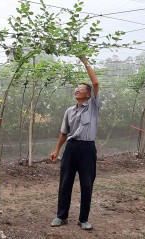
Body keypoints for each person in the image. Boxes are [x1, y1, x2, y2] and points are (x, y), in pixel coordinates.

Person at [50, 56, 99, 230]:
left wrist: (85, 60)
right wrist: (57, 150)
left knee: (87, 184)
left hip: (87, 149)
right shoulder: (69, 111)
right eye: (75, 90)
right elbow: (64, 132)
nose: (76, 91)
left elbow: (95, 82)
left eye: (80, 90)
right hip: (71, 149)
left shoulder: (93, 106)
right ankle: (61, 216)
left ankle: (83, 219)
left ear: (88, 94)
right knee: (65, 183)